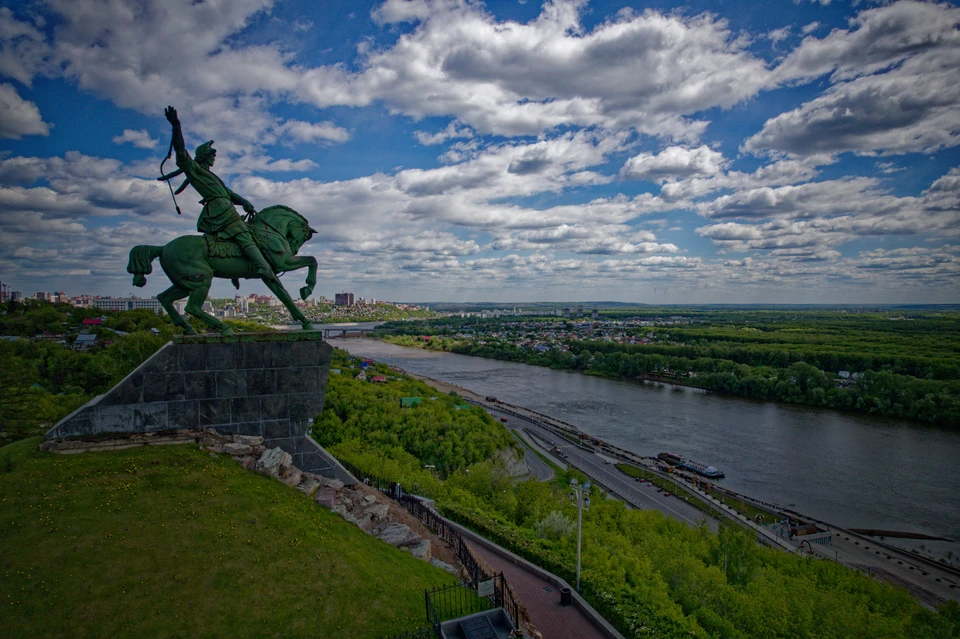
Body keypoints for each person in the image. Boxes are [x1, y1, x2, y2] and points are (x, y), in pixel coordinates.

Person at [163, 106, 279, 284]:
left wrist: (245, 202)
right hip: (218, 210)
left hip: (225, 206)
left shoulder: (212, 176)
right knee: (242, 232)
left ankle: (235, 270)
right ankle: (262, 266)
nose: (213, 158)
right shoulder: (195, 170)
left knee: (250, 232)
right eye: (211, 155)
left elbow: (230, 193)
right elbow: (180, 152)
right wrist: (176, 127)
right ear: (204, 157)